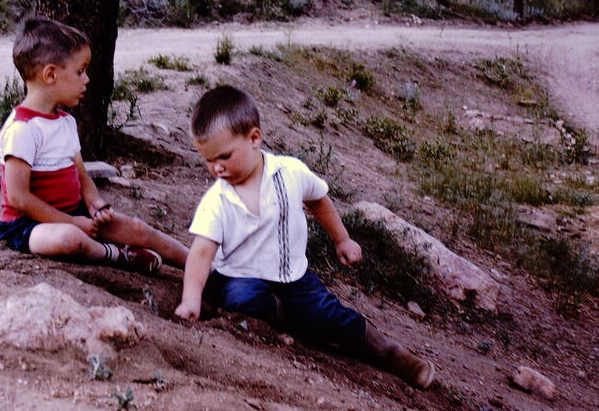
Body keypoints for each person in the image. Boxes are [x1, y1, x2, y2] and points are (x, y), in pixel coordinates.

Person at [174, 85, 435, 389]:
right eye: (208, 160)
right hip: (238, 276)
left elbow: (318, 199)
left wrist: (342, 239)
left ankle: (390, 354)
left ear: (254, 138)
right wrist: (190, 298)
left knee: (327, 314)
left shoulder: (290, 172)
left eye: (224, 156)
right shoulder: (217, 200)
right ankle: (275, 314)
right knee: (242, 299)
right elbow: (201, 252)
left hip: (292, 276)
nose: (216, 168)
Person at [0, 17, 188, 273]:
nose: (86, 79)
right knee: (70, 240)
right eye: (80, 71)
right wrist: (72, 223)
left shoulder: (65, 122)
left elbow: (81, 174)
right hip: (30, 225)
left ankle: (200, 266)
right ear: (50, 74)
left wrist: (94, 202)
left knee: (137, 228)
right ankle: (115, 254)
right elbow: (19, 198)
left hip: (75, 214)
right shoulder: (22, 129)